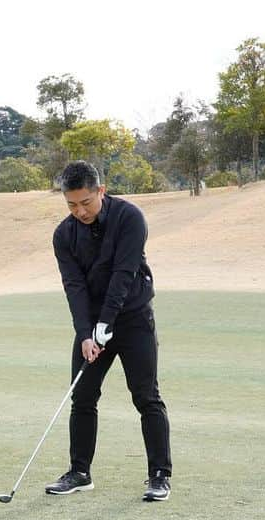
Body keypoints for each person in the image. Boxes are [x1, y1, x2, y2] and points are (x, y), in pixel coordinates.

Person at [45, 161, 173, 502]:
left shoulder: (130, 218)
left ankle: (159, 475)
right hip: (92, 327)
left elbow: (124, 272)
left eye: (85, 202)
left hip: (132, 318)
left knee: (146, 396)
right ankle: (79, 472)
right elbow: (74, 287)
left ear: (100, 191)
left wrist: (107, 322)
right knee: (82, 397)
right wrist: (86, 333)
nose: (79, 211)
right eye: (71, 205)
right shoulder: (63, 235)